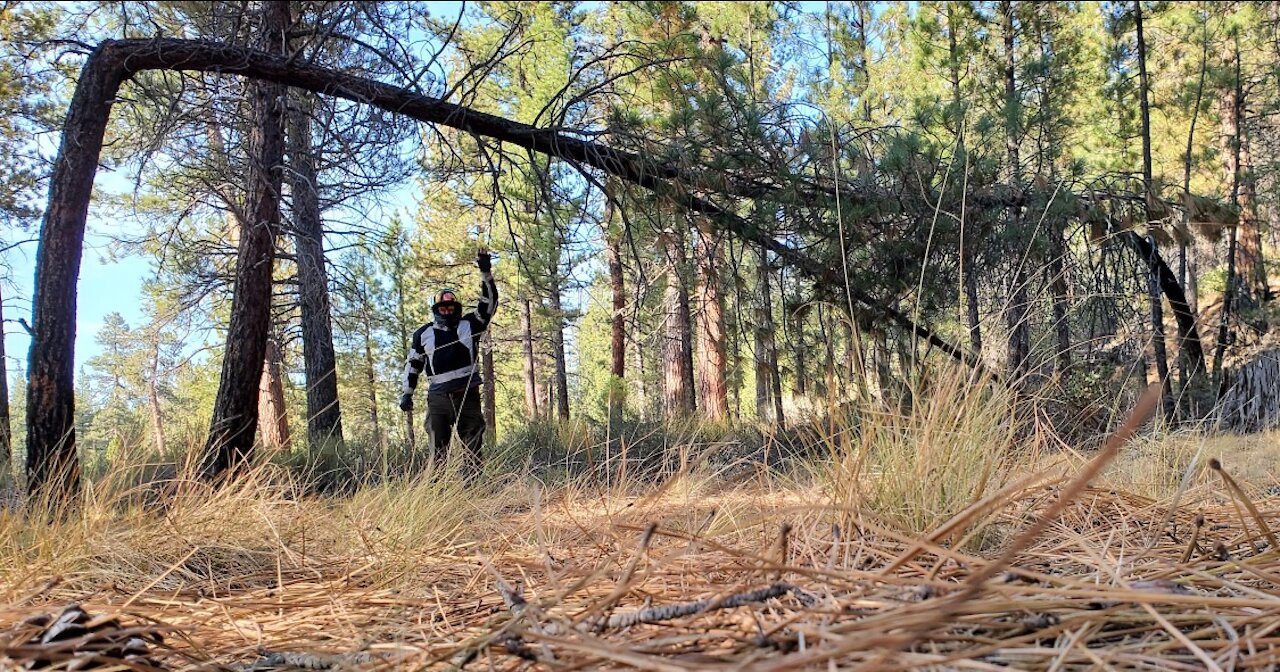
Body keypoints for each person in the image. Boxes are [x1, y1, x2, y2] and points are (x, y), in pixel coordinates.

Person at [400, 246, 497, 478]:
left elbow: (490, 304)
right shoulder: (422, 334)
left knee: (473, 447)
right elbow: (413, 365)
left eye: (451, 307)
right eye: (442, 307)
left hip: (467, 395)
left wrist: (486, 271)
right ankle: (439, 496)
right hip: (438, 399)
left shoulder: (471, 324)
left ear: (457, 308)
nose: (447, 311)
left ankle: (474, 490)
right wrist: (407, 393)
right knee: (438, 452)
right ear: (436, 309)